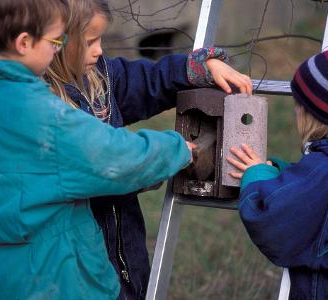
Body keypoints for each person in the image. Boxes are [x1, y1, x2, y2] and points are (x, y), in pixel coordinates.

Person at [0, 0, 201, 299]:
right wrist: (177, 149)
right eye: (55, 40)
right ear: (24, 43)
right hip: (50, 280)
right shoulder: (40, 113)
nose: (58, 48)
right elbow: (113, 158)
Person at [45, 0, 253, 299]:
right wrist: (173, 153)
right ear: (58, 42)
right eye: (90, 41)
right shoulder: (46, 108)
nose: (100, 50)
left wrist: (199, 66)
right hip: (76, 268)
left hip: (125, 255)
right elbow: (110, 165)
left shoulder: (100, 77)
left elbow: (151, 81)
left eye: (101, 38)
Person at [227, 48, 328, 299]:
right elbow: (324, 197)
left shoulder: (327, 170)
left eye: (298, 105)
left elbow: (271, 220)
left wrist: (257, 175)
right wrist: (281, 173)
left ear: (315, 115)